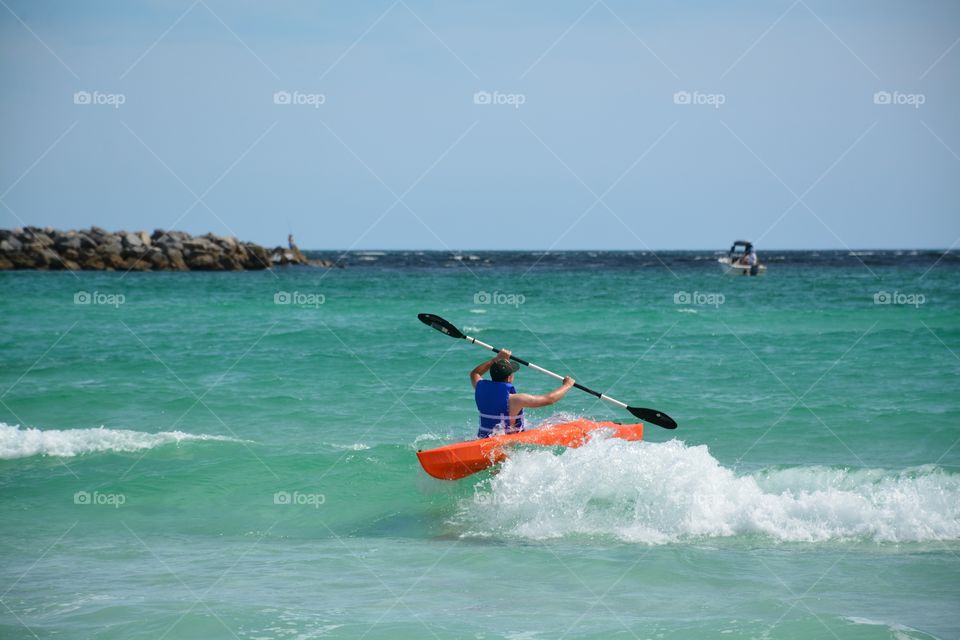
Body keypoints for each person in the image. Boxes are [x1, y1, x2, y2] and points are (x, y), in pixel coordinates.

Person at [470, 350, 575, 438]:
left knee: (556, 418)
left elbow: (475, 373)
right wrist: (567, 385)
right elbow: (549, 399)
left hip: (484, 440)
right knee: (560, 418)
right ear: (509, 378)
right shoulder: (516, 400)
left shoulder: (480, 387)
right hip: (507, 445)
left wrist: (495, 359)